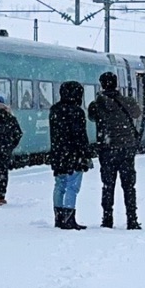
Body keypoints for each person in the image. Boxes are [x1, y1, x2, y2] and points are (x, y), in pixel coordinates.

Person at [88, 73, 144, 230]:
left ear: (102, 85)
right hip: (126, 147)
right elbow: (137, 113)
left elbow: (92, 117)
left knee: (107, 185)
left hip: (107, 148)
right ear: (116, 84)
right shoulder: (127, 101)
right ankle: (132, 219)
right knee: (128, 186)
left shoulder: (97, 104)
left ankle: (107, 219)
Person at [47, 80, 92, 230]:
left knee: (59, 185)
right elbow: (80, 135)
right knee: (72, 186)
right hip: (74, 154)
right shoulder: (77, 111)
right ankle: (69, 218)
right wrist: (85, 153)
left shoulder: (54, 110)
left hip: (58, 153)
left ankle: (58, 217)